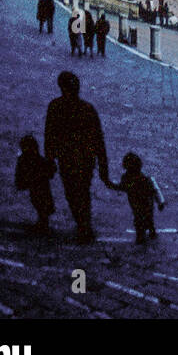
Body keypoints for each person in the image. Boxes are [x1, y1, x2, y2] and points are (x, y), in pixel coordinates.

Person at [43, 71, 110, 244]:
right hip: (85, 159)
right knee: (82, 191)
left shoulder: (55, 107)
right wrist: (103, 166)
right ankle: (84, 224)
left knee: (72, 193)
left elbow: (50, 136)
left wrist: (50, 159)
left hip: (67, 159)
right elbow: (99, 140)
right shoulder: (88, 109)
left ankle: (82, 224)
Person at [107, 152, 165, 244]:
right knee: (145, 219)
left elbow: (154, 189)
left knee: (141, 220)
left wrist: (111, 185)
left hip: (142, 203)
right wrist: (160, 202)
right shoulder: (139, 177)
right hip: (141, 204)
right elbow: (155, 189)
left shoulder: (139, 178)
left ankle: (143, 236)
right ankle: (148, 232)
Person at [14, 134, 55, 234]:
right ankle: (43, 223)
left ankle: (42, 223)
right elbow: (50, 171)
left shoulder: (26, 160)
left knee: (39, 202)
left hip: (38, 186)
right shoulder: (37, 160)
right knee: (40, 202)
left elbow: (21, 175)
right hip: (40, 186)